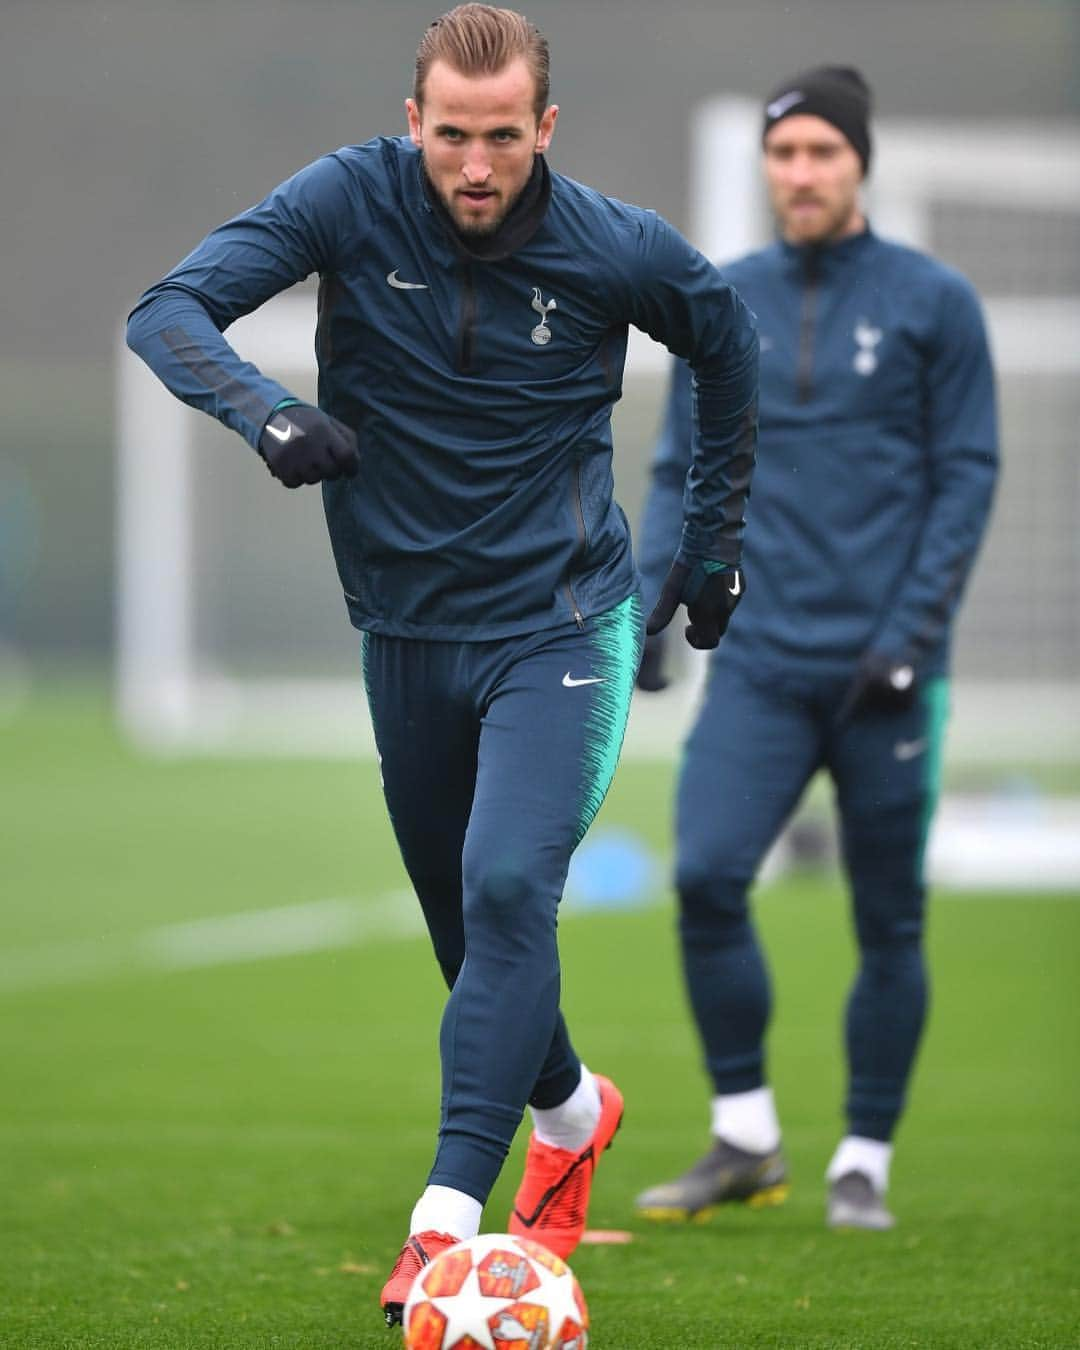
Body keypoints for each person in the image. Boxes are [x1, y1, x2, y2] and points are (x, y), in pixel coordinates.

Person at [126, 3, 758, 1322]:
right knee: (470, 929)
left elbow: (724, 339)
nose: (477, 166)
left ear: (547, 128)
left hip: (561, 620)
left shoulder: (610, 244)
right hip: (407, 631)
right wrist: (269, 412)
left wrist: (711, 545)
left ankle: (445, 1220)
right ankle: (577, 1110)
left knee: (510, 880)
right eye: (453, 136)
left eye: (505, 138)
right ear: (413, 122)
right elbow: (167, 309)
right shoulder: (346, 201)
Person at [634, 65, 997, 1231]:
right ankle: (745, 1137)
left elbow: (966, 477)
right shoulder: (721, 299)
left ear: (859, 164)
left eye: (822, 155)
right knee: (703, 877)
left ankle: (864, 1161)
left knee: (888, 921)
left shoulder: (933, 303)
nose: (801, 174)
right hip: (763, 662)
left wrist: (911, 637)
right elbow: (676, 467)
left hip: (888, 676)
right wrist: (651, 607)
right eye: (784, 156)